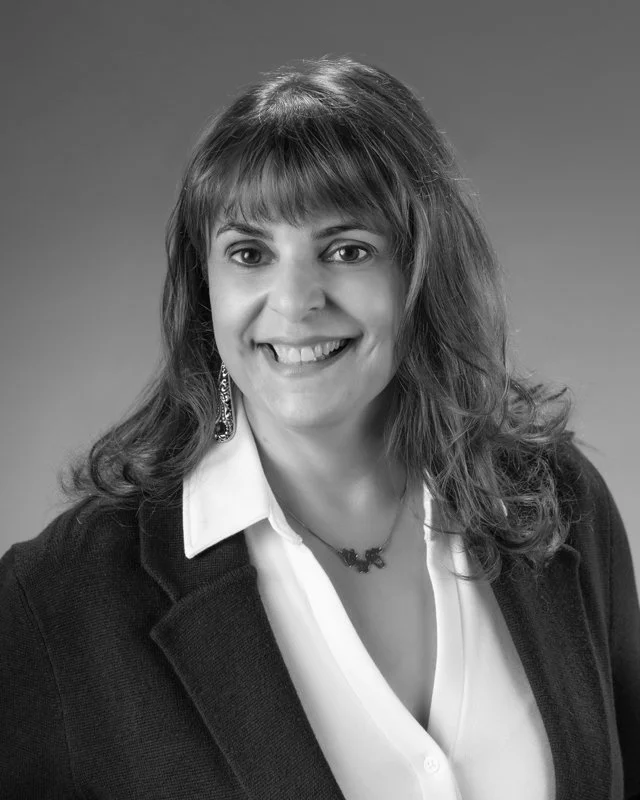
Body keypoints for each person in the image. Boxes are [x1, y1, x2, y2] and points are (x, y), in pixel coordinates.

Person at [0, 56, 638, 800]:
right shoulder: (62, 597)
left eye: (347, 250)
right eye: (249, 253)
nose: (295, 301)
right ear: (205, 289)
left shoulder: (556, 504)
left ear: (422, 273)